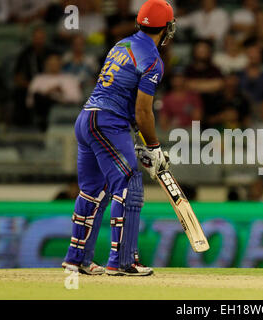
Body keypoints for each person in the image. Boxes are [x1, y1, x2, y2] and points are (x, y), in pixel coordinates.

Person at [62, 0, 175, 276]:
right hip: (109, 124)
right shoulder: (153, 59)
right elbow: (143, 110)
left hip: (87, 118)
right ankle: (123, 262)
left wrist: (135, 138)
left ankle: (77, 260)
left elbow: (120, 95)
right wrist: (154, 147)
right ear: (167, 27)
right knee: (128, 184)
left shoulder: (121, 45)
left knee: (93, 190)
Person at [26, 53, 83, 132]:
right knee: (39, 97)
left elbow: (77, 98)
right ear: (46, 65)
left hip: (63, 105)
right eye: (51, 63)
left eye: (56, 63)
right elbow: (30, 101)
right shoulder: (38, 79)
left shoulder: (69, 79)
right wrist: (48, 92)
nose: (53, 65)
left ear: (60, 64)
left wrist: (61, 93)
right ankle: (43, 124)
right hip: (44, 106)